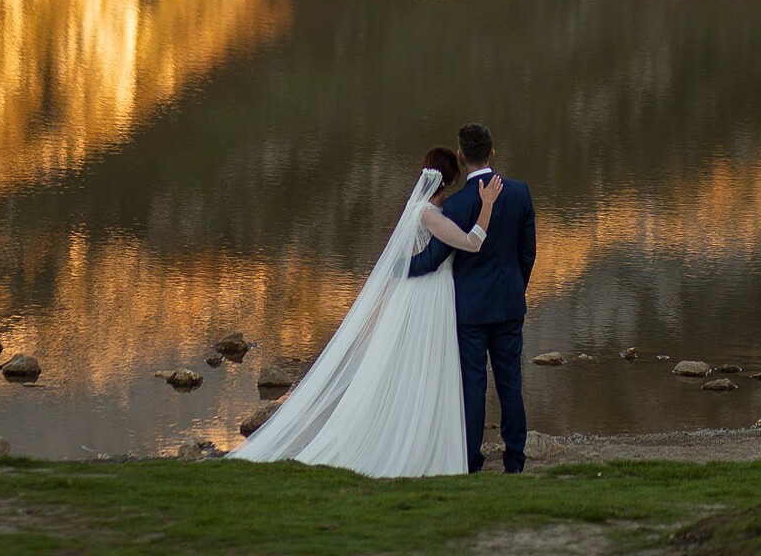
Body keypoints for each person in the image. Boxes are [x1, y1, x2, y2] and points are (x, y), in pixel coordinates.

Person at [229, 146, 502, 477]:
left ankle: (420, 438)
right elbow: (472, 243)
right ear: (452, 179)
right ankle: (413, 443)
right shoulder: (427, 214)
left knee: (418, 364)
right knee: (423, 363)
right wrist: (486, 206)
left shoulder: (422, 210)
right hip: (428, 296)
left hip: (425, 292)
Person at [408, 122, 536, 474]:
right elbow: (528, 254)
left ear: (461, 157)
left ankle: (471, 461)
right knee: (511, 383)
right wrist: (515, 289)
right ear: (492, 152)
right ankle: (515, 461)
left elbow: (433, 259)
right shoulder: (520, 193)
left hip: (470, 308)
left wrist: (396, 269)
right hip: (509, 303)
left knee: (473, 386)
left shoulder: (457, 204)